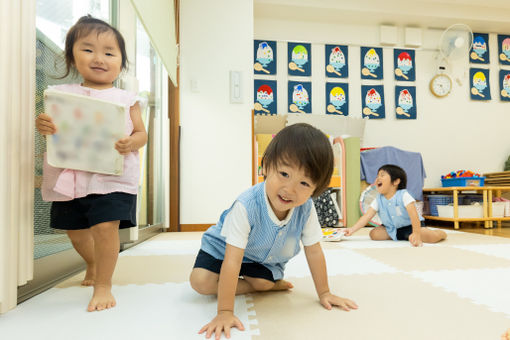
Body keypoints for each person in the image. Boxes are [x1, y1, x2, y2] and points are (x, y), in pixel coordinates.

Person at [189, 123, 358, 339]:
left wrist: (324, 292)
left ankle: (264, 285)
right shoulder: (247, 205)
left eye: (304, 183)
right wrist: (225, 312)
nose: (290, 189)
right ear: (267, 166)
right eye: (284, 173)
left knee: (263, 284)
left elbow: (314, 251)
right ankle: (252, 286)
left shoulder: (306, 209)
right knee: (200, 282)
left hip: (261, 259)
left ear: (316, 190)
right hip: (223, 249)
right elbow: (232, 260)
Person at [35, 15, 147, 312]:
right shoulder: (60, 95)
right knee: (76, 231)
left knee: (105, 228)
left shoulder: (127, 98)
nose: (99, 58)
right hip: (71, 175)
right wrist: (43, 124)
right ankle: (93, 263)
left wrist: (132, 142)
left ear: (121, 61)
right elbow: (51, 125)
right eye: (88, 50)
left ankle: (103, 285)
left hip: (112, 176)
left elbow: (141, 133)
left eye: (109, 53)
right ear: (72, 56)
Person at [344, 164, 447, 246]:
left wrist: (416, 233)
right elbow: (367, 216)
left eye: (382, 175)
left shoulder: (403, 195)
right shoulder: (378, 199)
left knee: (431, 237)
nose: (377, 178)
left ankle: (441, 233)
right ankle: (401, 236)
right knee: (374, 234)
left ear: (396, 181)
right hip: (391, 229)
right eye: (377, 176)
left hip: (411, 226)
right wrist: (352, 230)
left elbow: (414, 215)